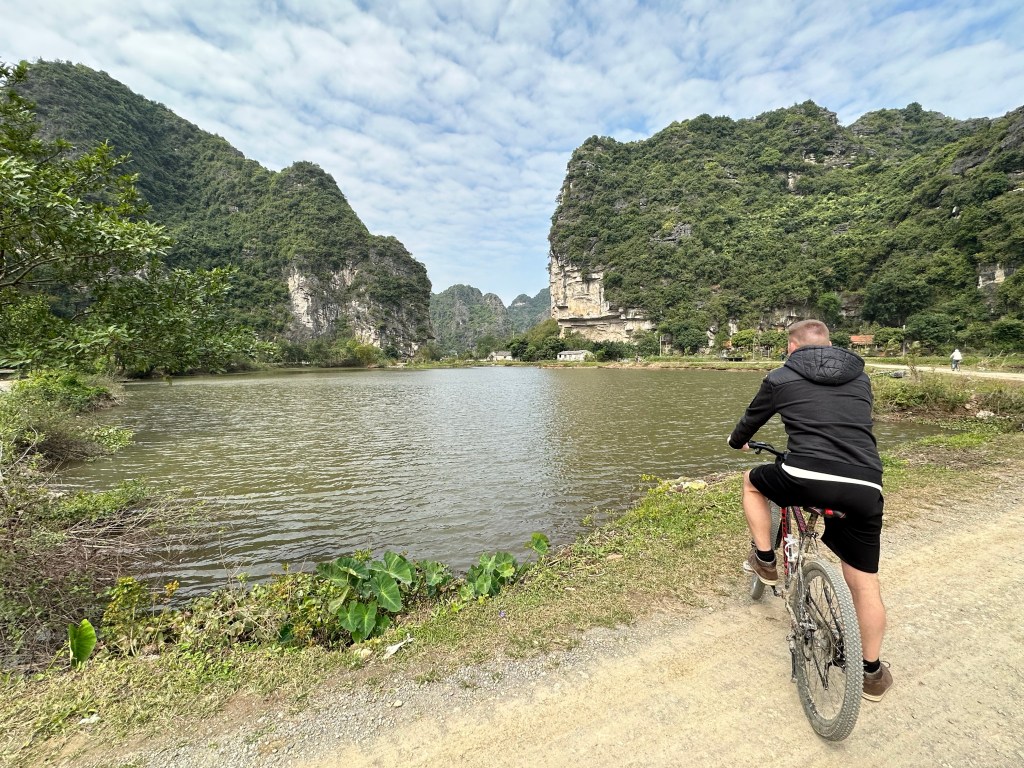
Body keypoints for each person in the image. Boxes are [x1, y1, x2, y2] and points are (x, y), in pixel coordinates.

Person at [727, 319, 892, 701]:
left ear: (791, 347)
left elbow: (750, 421)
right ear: (830, 345)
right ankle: (871, 674)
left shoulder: (780, 377)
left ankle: (765, 559)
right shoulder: (860, 378)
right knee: (865, 583)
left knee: (751, 482)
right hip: (865, 483)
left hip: (805, 475)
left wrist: (738, 442)